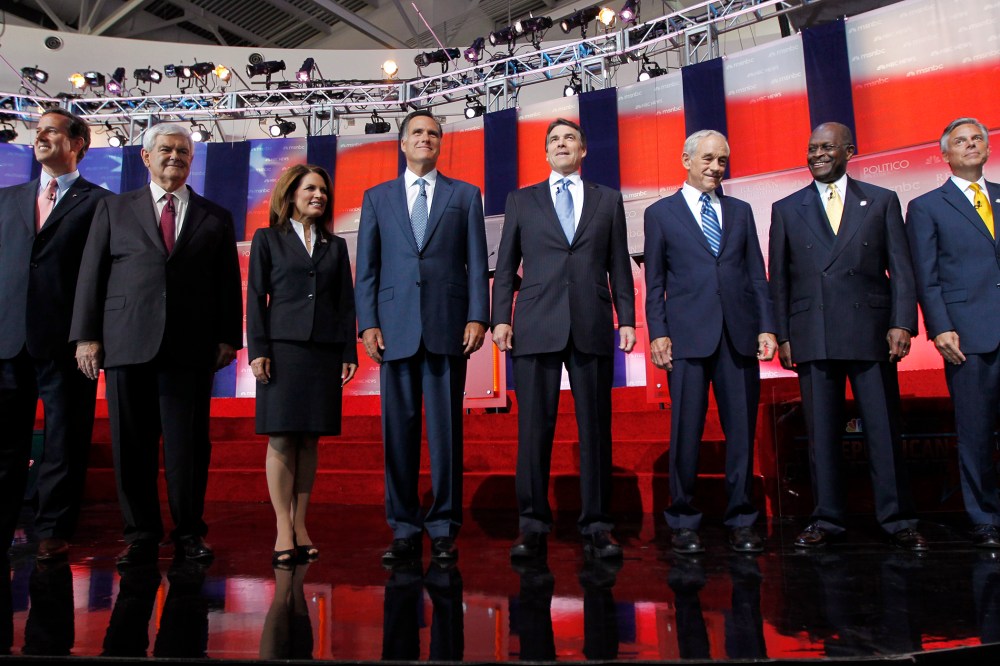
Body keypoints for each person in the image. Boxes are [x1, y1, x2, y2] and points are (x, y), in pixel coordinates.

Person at [70, 122, 243, 566]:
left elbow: (227, 282)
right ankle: (141, 534)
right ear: (145, 158)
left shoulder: (215, 215)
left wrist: (228, 336)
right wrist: (87, 336)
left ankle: (188, 532)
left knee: (188, 447)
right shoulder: (114, 208)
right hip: (126, 342)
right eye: (165, 150)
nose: (175, 157)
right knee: (132, 445)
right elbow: (92, 274)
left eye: (183, 152)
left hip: (190, 348)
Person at [769, 121, 925, 551]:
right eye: (812, 148)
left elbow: (902, 269)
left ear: (849, 151)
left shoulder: (880, 201)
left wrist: (902, 322)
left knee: (882, 429)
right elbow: (778, 279)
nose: (817, 154)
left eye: (827, 147)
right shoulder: (786, 208)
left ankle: (898, 519)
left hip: (871, 331)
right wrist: (783, 334)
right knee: (821, 434)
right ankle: (827, 519)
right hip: (812, 332)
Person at [492, 118, 636, 561]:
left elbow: (619, 266)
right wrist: (500, 318)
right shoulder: (521, 200)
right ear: (545, 151)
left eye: (569, 138)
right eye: (553, 140)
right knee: (535, 429)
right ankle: (532, 525)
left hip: (591, 320)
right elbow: (505, 267)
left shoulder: (608, 200)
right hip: (536, 322)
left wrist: (627, 318)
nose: (561, 144)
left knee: (595, 429)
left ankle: (596, 525)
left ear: (583, 149)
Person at [355, 110, 489, 565]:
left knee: (446, 433)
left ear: (440, 143)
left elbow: (476, 264)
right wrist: (368, 323)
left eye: (433, 134)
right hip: (393, 330)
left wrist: (478, 317)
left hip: (448, 325)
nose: (426, 139)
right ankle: (405, 526)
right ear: (402, 142)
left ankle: (444, 526)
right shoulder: (377, 198)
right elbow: (367, 270)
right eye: (417, 133)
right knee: (398, 433)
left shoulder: (466, 195)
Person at [643, 129, 776, 555]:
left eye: (722, 160)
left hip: (738, 336)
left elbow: (757, 273)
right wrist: (658, 332)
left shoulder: (740, 211)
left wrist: (767, 326)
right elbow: (655, 283)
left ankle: (741, 518)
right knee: (686, 430)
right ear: (686, 160)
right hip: (687, 336)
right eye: (707, 159)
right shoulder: (660, 213)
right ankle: (683, 518)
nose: (715, 167)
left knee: (741, 431)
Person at [0, 108, 111, 560]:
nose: (41, 137)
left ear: (78, 143)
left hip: (67, 341)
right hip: (7, 340)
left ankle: (52, 528)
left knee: (64, 440)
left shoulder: (101, 202)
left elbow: (102, 274)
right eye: (37, 131)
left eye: (51, 131)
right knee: (5, 443)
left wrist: (91, 333)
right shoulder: (7, 200)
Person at [246, 164, 358, 566]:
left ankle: (300, 525)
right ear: (290, 193)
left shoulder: (336, 244)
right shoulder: (267, 239)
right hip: (281, 349)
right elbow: (256, 298)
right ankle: (281, 526)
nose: (319, 196)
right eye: (311, 188)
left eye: (324, 191)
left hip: (324, 351)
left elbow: (346, 302)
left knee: (310, 439)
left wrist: (349, 351)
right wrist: (258, 349)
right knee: (281, 438)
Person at [906, 117, 1000, 549]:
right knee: (976, 432)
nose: (970, 145)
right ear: (945, 154)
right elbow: (926, 276)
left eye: (977, 139)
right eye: (960, 141)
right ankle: (984, 516)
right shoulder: (928, 206)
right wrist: (940, 326)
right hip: (967, 335)